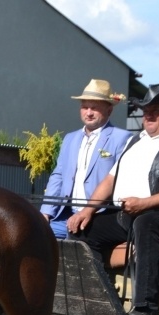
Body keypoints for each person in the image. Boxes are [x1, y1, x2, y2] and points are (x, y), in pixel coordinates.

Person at [66, 83, 159, 315]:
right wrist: (87, 210)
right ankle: (98, 301)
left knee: (146, 222)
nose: (148, 115)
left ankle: (146, 307)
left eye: (155, 110)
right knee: (83, 230)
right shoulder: (134, 142)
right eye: (145, 110)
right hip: (129, 211)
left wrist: (145, 203)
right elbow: (110, 180)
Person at [40, 79, 133, 238]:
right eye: (84, 107)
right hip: (65, 213)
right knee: (34, 235)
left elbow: (119, 180)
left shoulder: (122, 138)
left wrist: (88, 211)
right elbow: (58, 176)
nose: (88, 113)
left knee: (75, 244)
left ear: (109, 110)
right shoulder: (70, 139)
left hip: (99, 216)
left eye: (94, 108)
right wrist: (46, 213)